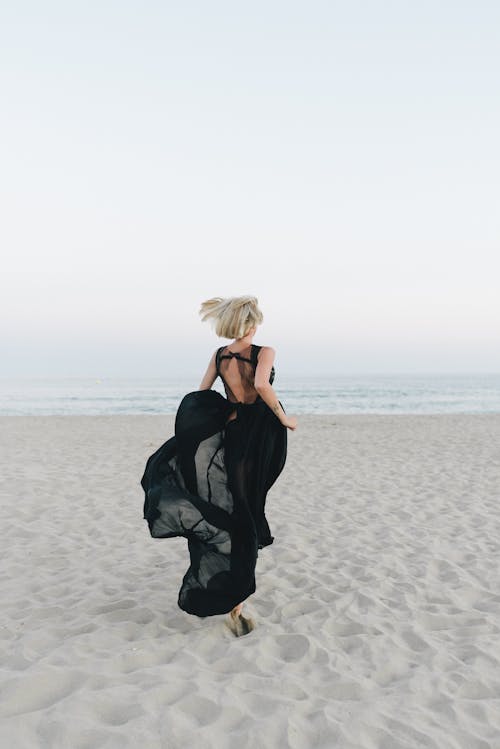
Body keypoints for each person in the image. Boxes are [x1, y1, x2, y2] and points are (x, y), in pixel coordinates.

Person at [140, 295, 297, 637]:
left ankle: (234, 589)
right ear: (251, 323)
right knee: (247, 508)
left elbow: (201, 393)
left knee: (234, 504)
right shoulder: (263, 352)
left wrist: (210, 424)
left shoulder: (220, 355)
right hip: (258, 436)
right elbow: (260, 385)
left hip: (231, 430)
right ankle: (236, 595)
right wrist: (284, 417)